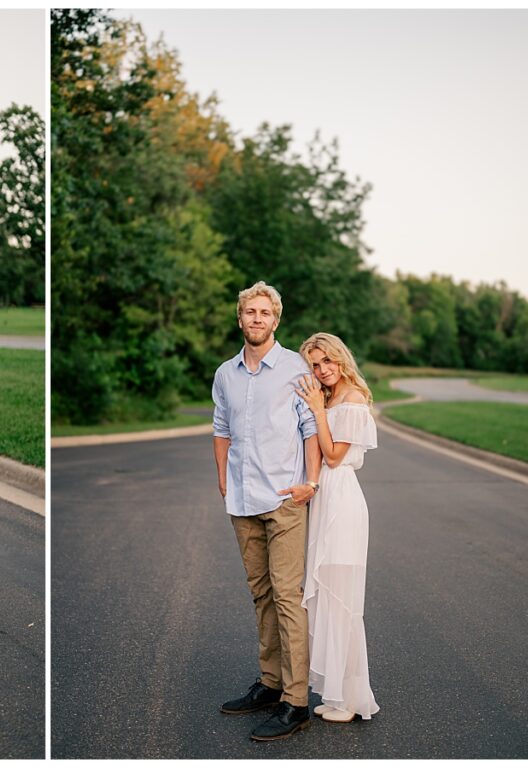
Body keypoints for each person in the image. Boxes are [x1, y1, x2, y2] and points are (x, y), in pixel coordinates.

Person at [212, 281, 321, 742]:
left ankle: (295, 702)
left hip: (284, 501)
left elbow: (311, 427)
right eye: (249, 312)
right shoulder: (225, 374)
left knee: (286, 596)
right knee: (261, 595)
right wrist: (222, 479)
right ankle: (270, 683)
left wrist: (309, 483)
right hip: (241, 501)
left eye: (264, 313)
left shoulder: (296, 368)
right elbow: (221, 428)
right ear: (240, 318)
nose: (256, 319)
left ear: (276, 321)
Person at [295, 332, 379, 723]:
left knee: (343, 601)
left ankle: (350, 699)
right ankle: (335, 691)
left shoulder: (352, 400)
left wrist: (315, 410)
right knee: (327, 599)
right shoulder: (330, 398)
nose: (322, 370)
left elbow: (332, 456)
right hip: (324, 499)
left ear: (341, 359)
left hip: (342, 504)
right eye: (314, 364)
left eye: (327, 360)